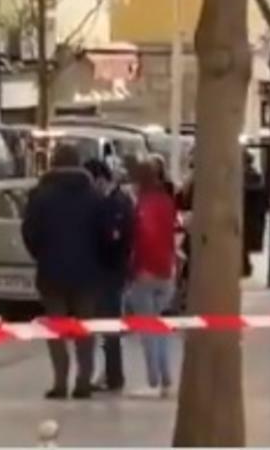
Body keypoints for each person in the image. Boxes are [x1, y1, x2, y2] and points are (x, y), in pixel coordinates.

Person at [23, 144, 108, 400]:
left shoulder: (40, 196)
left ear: (54, 163)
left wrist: (41, 255)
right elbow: (104, 234)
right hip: (87, 273)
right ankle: (83, 381)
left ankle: (60, 381)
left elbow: (29, 232)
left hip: (52, 272)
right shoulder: (94, 197)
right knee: (85, 329)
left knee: (56, 328)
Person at [128, 161, 179, 399]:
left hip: (146, 271)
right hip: (166, 271)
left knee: (147, 329)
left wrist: (134, 267)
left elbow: (144, 238)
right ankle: (165, 377)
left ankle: (154, 380)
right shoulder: (167, 201)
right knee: (159, 326)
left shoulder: (143, 204)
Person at [84, 158, 135, 394]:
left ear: (100, 180)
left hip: (110, 273)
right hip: (109, 272)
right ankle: (110, 373)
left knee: (109, 326)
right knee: (106, 326)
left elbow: (114, 240)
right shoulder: (114, 201)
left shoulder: (116, 204)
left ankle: (113, 375)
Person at [242, 152, 267, 278]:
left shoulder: (249, 177)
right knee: (243, 246)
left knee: (242, 244)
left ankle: (245, 268)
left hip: (247, 217)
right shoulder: (255, 177)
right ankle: (245, 267)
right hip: (251, 217)